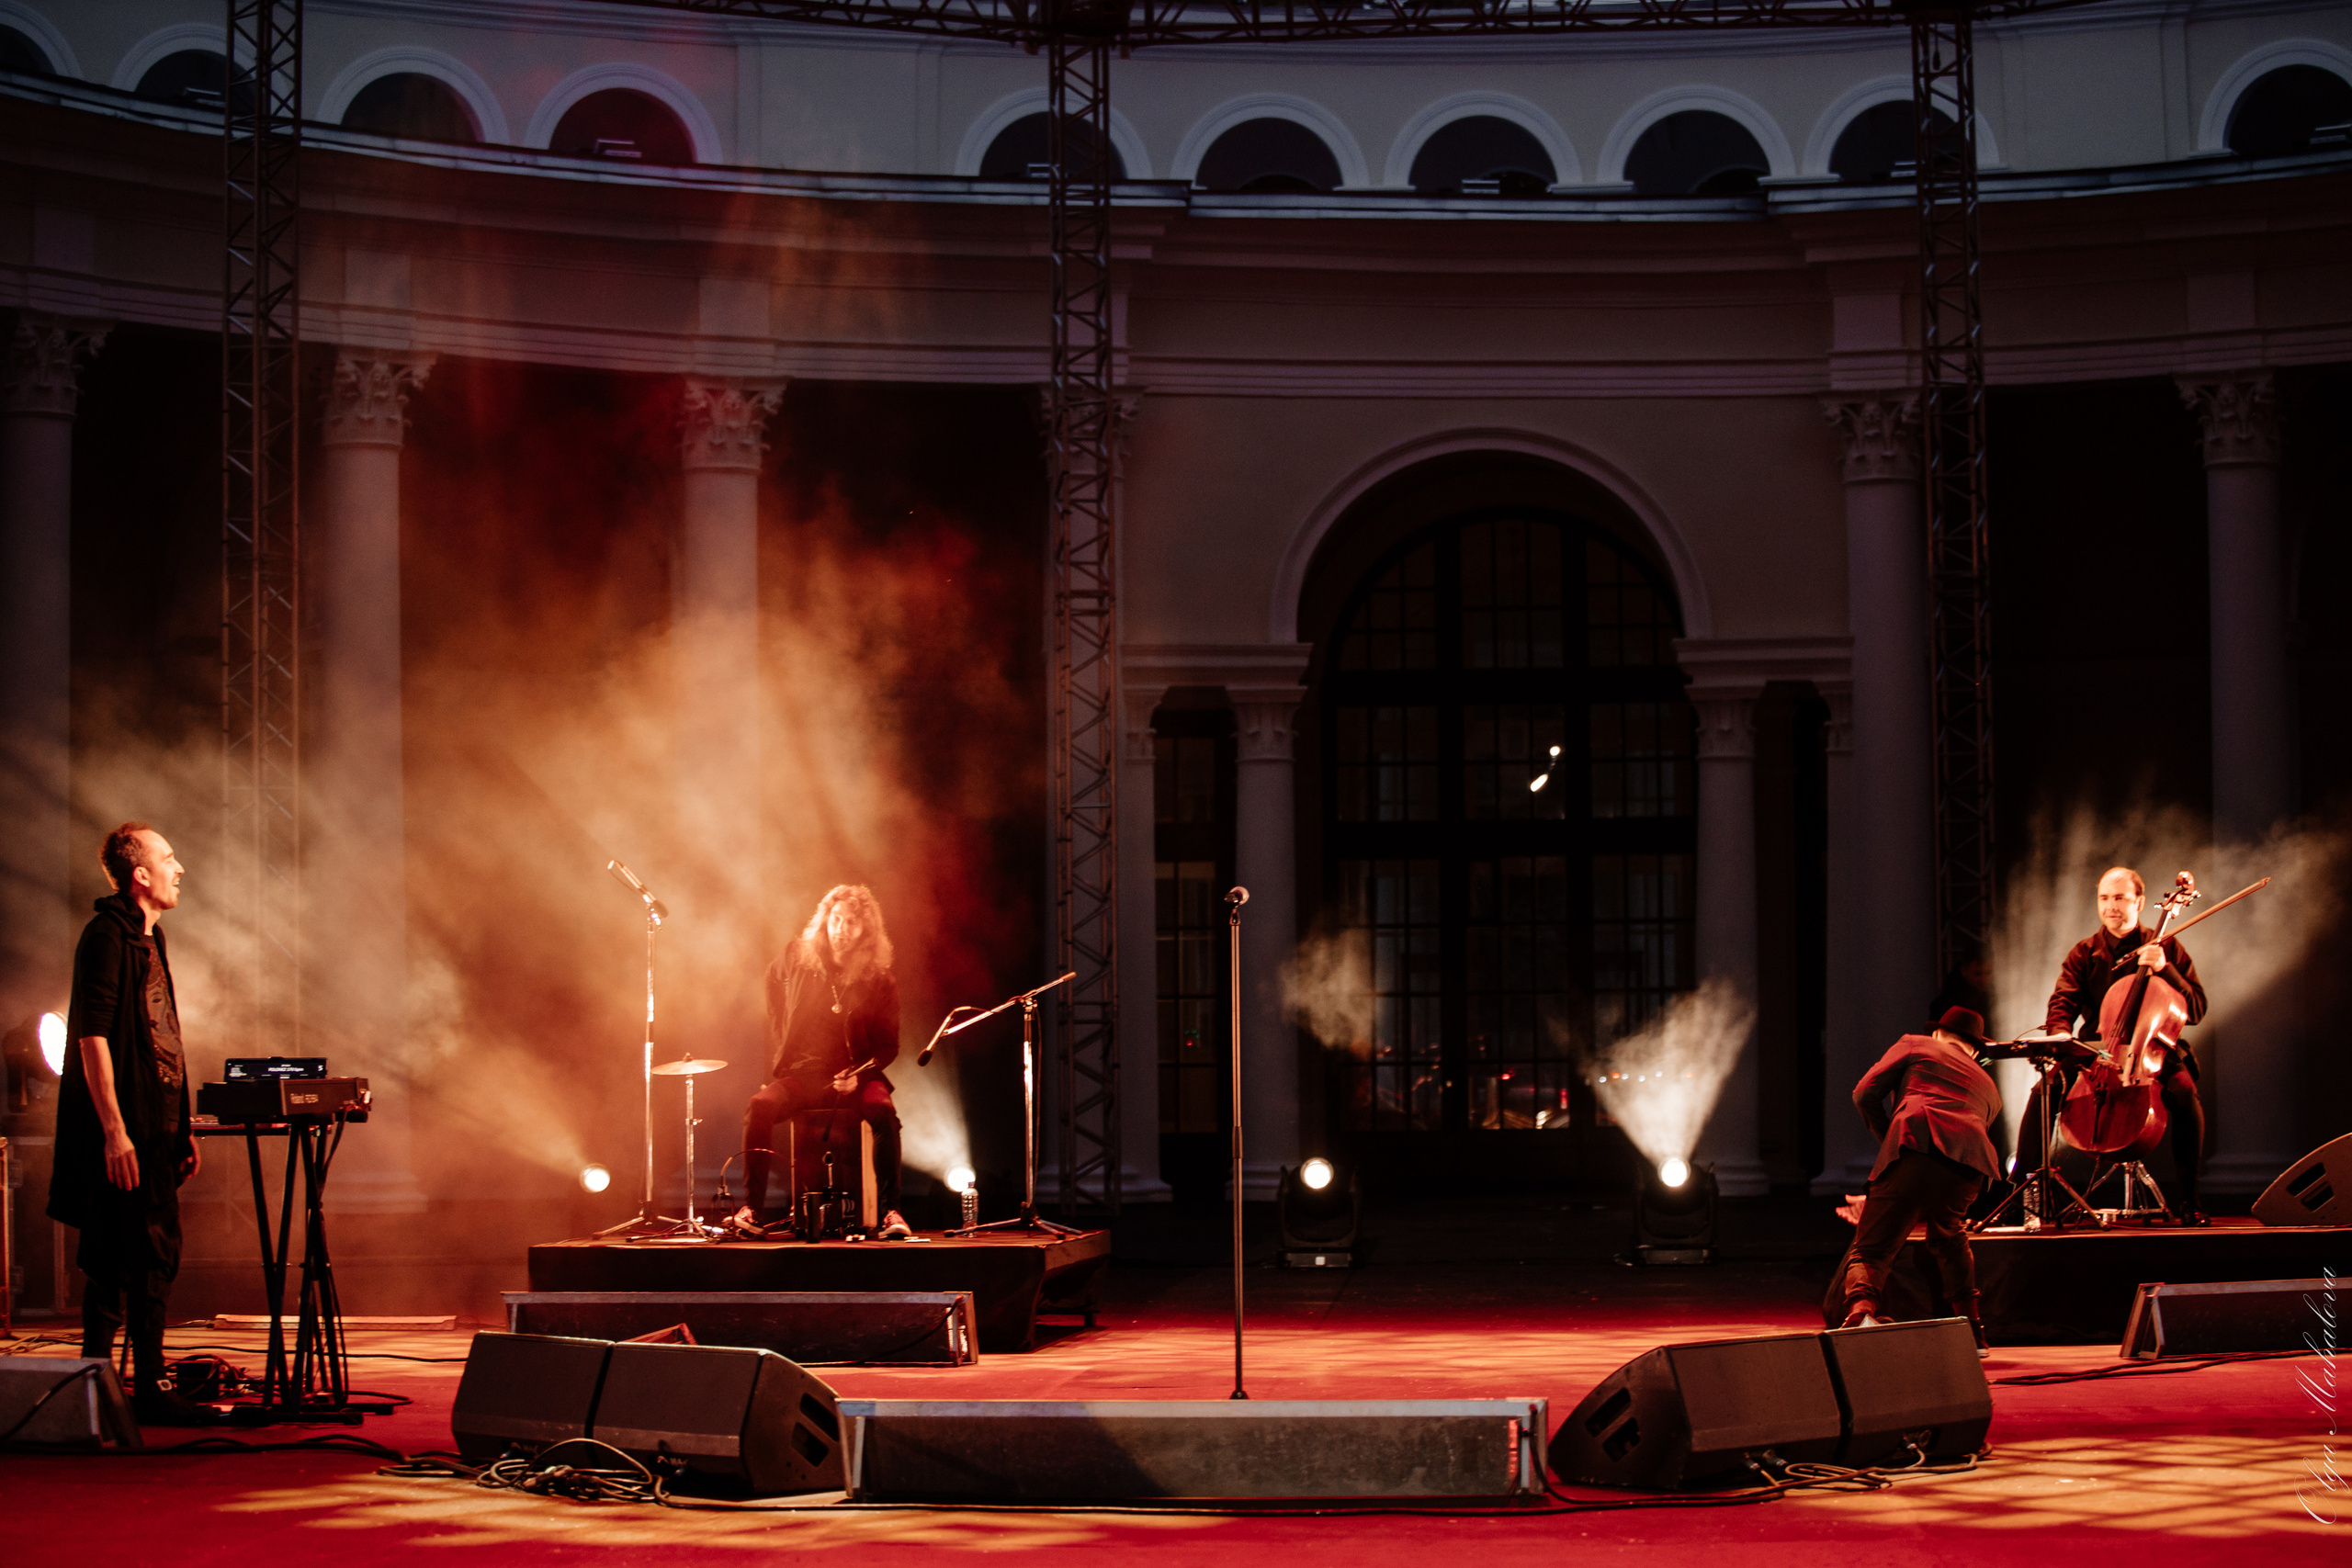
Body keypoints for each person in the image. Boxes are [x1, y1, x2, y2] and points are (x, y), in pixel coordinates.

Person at [46, 824, 214, 1423]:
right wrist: (114, 1130)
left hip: (159, 1120)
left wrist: (182, 1124)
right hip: (127, 1127)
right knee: (125, 1251)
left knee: (144, 1251)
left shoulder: (152, 937)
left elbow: (162, 1033)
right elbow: (91, 1035)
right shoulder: (105, 937)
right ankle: (109, 1380)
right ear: (139, 874)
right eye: (169, 857)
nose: (180, 867)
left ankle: (120, 1381)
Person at [2016, 865, 2209, 1223]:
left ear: (2140, 902)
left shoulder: (2165, 945)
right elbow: (2062, 1002)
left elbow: (2196, 1008)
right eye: (2104, 898)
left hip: (2154, 1051)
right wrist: (2060, 1030)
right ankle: (2024, 1197)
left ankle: (2189, 1200)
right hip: (2098, 1051)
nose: (2111, 906)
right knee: (2044, 1092)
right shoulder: (2084, 953)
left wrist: (2165, 968)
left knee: (2185, 1094)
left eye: (2120, 897)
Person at [733, 885, 913, 1240]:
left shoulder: (878, 979)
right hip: (805, 1075)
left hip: (857, 1076)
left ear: (866, 932)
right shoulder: (798, 957)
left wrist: (858, 1074)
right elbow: (771, 980)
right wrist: (781, 1033)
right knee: (759, 1106)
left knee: (885, 1115)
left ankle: (891, 1212)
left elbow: (889, 1046)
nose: (841, 929)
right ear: (825, 920)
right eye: (835, 919)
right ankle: (752, 1209)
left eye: (851, 923)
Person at [1826, 1006, 2003, 1354]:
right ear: (1975, 1049)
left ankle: (1861, 1313)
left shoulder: (1916, 1044)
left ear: (1939, 1033)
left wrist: (1891, 1141)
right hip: (1972, 1164)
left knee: (1872, 1248)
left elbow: (1864, 1093)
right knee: (1950, 1239)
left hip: (1916, 1143)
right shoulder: (1989, 1085)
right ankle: (1973, 1333)